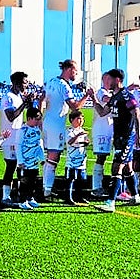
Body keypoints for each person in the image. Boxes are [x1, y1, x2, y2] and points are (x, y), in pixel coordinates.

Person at [41, 60, 93, 200]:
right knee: (54, 157)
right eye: (75, 70)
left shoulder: (51, 81)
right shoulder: (64, 86)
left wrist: (41, 118)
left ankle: (46, 187)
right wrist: (87, 95)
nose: (76, 73)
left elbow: (41, 100)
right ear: (69, 69)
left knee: (50, 157)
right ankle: (46, 191)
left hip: (47, 122)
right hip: (56, 124)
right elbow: (75, 106)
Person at [95, 68, 140, 213]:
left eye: (109, 79)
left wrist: (138, 135)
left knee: (117, 167)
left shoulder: (125, 96)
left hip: (127, 137)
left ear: (117, 80)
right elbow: (103, 112)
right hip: (118, 138)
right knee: (128, 168)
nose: (107, 82)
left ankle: (110, 202)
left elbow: (137, 112)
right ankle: (135, 197)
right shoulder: (115, 97)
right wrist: (93, 98)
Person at [0, 71, 35, 206]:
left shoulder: (19, 97)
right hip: (9, 138)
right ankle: (5, 196)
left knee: (21, 168)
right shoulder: (8, 97)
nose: (26, 85)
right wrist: (24, 104)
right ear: (16, 83)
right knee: (11, 166)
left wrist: (29, 103)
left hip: (19, 138)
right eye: (25, 83)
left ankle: (22, 196)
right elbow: (11, 116)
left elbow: (31, 115)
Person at [90, 72, 114, 198]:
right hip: (101, 130)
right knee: (101, 157)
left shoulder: (111, 93)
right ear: (105, 79)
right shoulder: (101, 92)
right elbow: (106, 100)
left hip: (110, 130)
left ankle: (109, 185)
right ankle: (96, 186)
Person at [16, 107, 45, 210]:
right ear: (29, 118)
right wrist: (20, 161)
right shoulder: (22, 130)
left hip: (34, 162)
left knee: (33, 181)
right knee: (25, 182)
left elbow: (39, 144)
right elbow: (18, 146)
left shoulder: (37, 130)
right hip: (25, 163)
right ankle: (22, 201)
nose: (38, 121)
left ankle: (30, 198)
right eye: (36, 119)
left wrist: (41, 158)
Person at [65, 110, 90, 205]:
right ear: (72, 120)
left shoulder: (82, 130)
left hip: (81, 159)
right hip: (72, 159)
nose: (81, 121)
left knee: (81, 179)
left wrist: (86, 141)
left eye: (82, 118)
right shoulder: (69, 130)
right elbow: (70, 142)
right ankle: (68, 197)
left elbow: (86, 140)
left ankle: (79, 196)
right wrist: (78, 135)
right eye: (78, 118)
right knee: (71, 178)